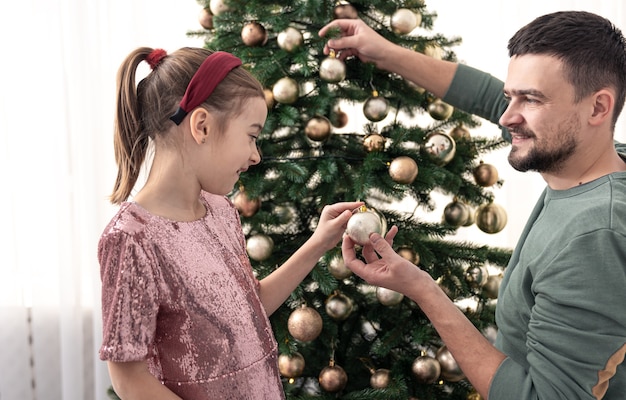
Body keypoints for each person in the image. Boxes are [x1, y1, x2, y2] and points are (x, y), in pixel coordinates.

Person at [320, 11, 626, 399]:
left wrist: (424, 291)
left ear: (598, 108)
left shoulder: (597, 235)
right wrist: (384, 52)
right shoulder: (599, 155)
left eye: (530, 99)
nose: (507, 117)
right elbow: (483, 94)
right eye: (509, 96)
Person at [98, 46, 363, 400]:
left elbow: (248, 310)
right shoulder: (131, 239)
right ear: (202, 126)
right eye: (251, 135)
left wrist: (318, 242)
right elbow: (130, 380)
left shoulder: (221, 211)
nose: (255, 155)